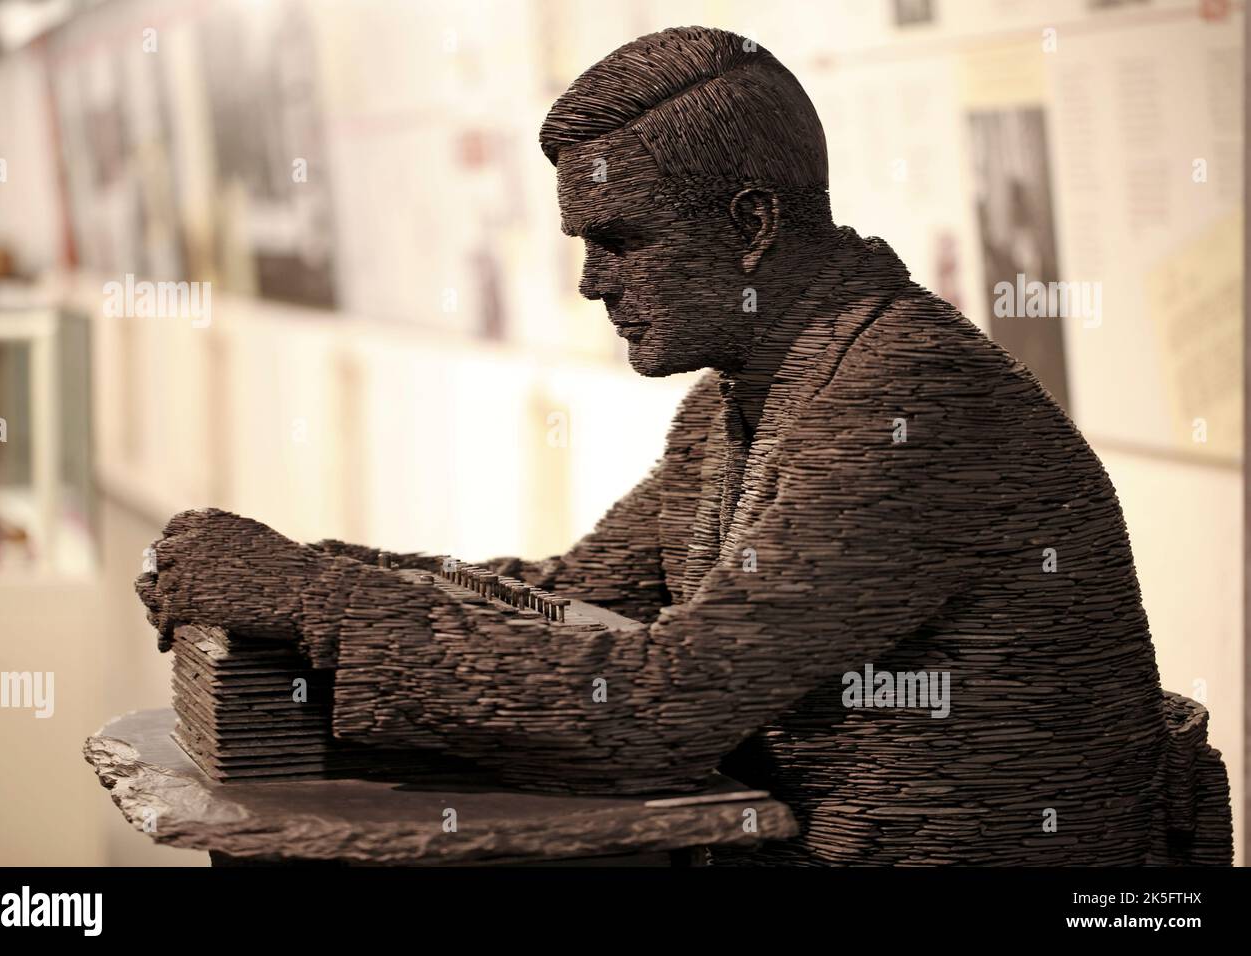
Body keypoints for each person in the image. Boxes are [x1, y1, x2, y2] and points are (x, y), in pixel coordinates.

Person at [136, 26, 1231, 865]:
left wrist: (311, 599)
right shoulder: (742, 397)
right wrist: (305, 573)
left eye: (618, 240)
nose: (591, 282)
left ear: (750, 224)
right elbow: (567, 595)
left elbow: (655, 702)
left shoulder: (903, 396)